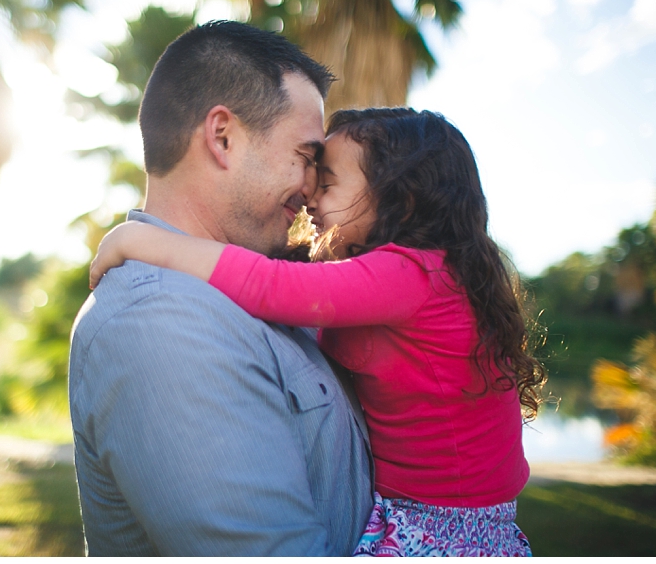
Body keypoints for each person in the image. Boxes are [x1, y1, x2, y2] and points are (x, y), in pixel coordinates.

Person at [91, 107, 547, 557]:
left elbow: (269, 286)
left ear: (401, 199)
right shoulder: (429, 275)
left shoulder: (410, 275)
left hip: (436, 533)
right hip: (466, 524)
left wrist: (141, 240)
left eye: (327, 183)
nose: (310, 195)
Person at [68, 21, 374, 557]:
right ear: (222, 136)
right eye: (305, 158)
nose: (311, 191)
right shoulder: (161, 321)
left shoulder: (262, 289)